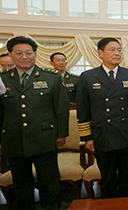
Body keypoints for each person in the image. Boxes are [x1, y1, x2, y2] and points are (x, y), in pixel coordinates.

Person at [0, 36, 69, 209]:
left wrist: (61, 135)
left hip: (44, 140)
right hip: (14, 141)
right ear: (10, 55)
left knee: (50, 184)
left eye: (28, 53)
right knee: (22, 187)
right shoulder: (3, 79)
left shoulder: (51, 78)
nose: (24, 57)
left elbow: (61, 109)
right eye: (19, 53)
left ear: (35, 54)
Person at [76, 38, 128, 198]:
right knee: (107, 180)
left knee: (127, 179)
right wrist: (87, 137)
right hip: (103, 135)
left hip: (127, 133)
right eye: (112, 50)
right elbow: (83, 109)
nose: (117, 53)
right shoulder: (88, 77)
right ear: (101, 53)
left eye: (119, 50)